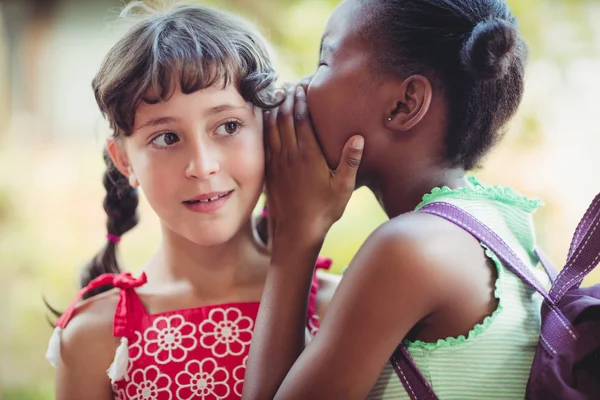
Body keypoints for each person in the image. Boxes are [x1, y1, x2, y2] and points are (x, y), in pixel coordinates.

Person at [242, 0, 548, 399]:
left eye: (323, 62)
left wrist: (296, 236)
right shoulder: (502, 223)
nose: (298, 87)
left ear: (404, 104)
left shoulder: (409, 249)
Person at [45, 3, 337, 399]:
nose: (202, 166)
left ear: (269, 130)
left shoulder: (336, 306)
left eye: (228, 126)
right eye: (166, 137)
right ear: (125, 160)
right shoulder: (93, 338)